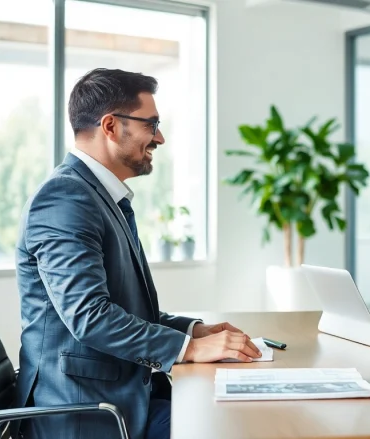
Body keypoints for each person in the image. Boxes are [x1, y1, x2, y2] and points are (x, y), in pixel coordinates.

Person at [15, 68, 260, 439]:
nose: (159, 137)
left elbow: (120, 307)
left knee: (232, 414)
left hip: (122, 395)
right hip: (88, 412)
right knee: (230, 427)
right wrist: (189, 348)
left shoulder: (98, 196)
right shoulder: (65, 198)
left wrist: (194, 330)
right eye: (152, 124)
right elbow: (90, 317)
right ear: (111, 126)